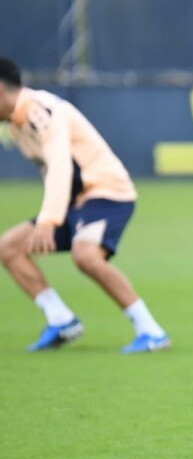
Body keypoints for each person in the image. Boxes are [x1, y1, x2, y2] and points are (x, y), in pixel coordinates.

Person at [0, 57, 170, 353]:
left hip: (106, 193)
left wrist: (48, 221)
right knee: (9, 248)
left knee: (86, 256)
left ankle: (152, 331)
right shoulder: (16, 121)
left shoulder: (41, 111)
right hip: (74, 201)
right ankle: (61, 319)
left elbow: (60, 167)